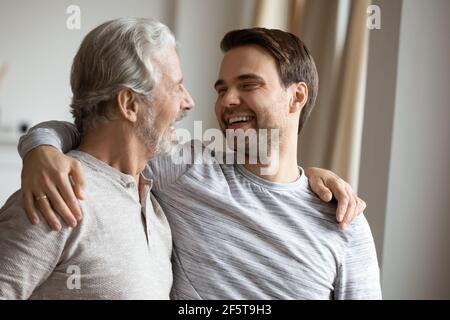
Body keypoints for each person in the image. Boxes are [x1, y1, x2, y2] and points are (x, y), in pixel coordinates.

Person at [12, 26, 374, 299]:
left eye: (248, 85)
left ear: (296, 97)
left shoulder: (343, 222)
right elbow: (103, 127)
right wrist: (40, 149)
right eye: (221, 88)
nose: (227, 100)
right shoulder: (183, 167)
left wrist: (310, 177)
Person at [0, 17, 194, 299]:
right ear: (129, 104)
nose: (188, 101)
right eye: (176, 86)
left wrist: (39, 144)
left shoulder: (153, 204)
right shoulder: (57, 197)